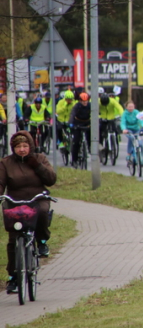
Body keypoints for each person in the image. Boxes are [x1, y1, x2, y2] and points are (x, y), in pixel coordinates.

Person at [1, 131, 57, 293]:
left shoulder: (40, 158)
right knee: (13, 238)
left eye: (25, 146)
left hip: (37, 199)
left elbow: (51, 179)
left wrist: (36, 166)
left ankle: (42, 242)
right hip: (15, 202)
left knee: (41, 212)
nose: (22, 150)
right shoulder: (6, 163)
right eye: (18, 146)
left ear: (31, 146)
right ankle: (13, 277)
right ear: (13, 148)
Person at [69, 92, 92, 162]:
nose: (85, 103)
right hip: (78, 123)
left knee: (90, 137)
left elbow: (95, 113)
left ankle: (90, 148)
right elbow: (72, 114)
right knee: (76, 141)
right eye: (83, 101)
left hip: (87, 122)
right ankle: (74, 160)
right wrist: (71, 123)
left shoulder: (90, 105)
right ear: (80, 101)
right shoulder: (77, 106)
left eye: (86, 101)